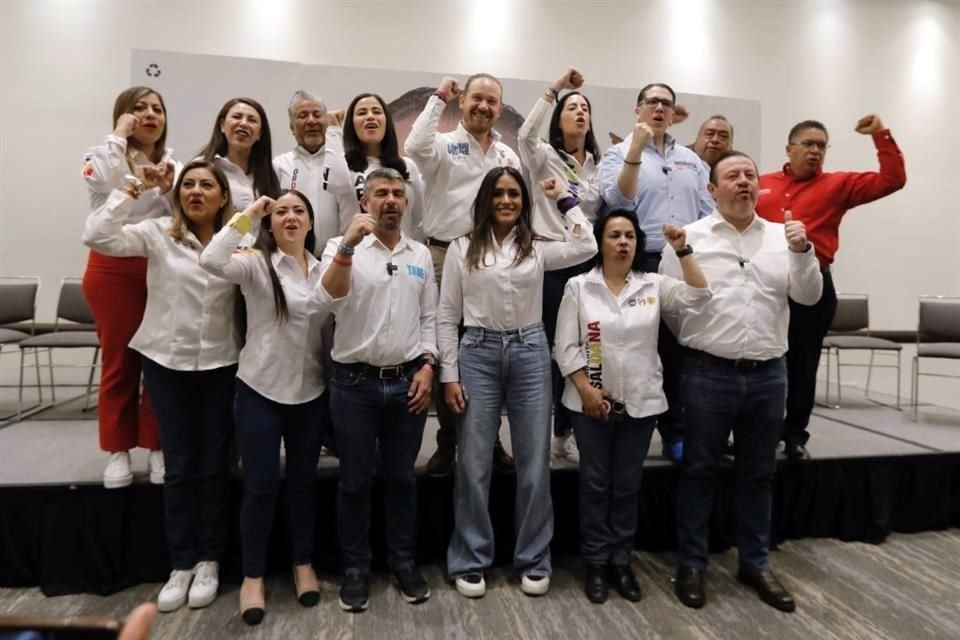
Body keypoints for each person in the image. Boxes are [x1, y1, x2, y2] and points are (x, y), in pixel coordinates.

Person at [660, 150, 822, 613]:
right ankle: (692, 563)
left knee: (758, 475)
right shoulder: (687, 237)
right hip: (708, 373)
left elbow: (807, 297)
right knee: (698, 472)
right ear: (712, 190)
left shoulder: (780, 237)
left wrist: (803, 251)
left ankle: (755, 562)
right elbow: (671, 306)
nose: (744, 182)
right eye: (732, 176)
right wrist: (705, 343)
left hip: (770, 374)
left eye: (750, 174)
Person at [82, 160, 240, 614]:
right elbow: (97, 235)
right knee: (179, 465)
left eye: (207, 185)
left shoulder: (238, 242)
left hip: (220, 362)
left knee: (212, 464)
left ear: (223, 197)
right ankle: (181, 562)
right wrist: (132, 187)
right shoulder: (156, 233)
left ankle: (209, 559)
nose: (196, 192)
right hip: (167, 363)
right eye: (188, 184)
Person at [440, 167, 597, 599]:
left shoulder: (538, 248)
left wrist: (565, 198)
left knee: (533, 463)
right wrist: (449, 373)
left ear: (524, 202)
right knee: (473, 463)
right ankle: (471, 558)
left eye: (514, 194)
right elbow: (446, 314)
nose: (507, 200)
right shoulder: (460, 248)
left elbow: (587, 243)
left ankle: (533, 558)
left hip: (529, 351)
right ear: (486, 199)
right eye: (499, 193)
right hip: (477, 353)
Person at [554, 211, 710, 604]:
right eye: (614, 235)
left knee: (626, 486)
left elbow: (700, 296)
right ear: (601, 242)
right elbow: (564, 347)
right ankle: (595, 562)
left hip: (641, 401)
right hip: (587, 403)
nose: (623, 242)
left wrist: (683, 250)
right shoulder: (579, 286)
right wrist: (586, 390)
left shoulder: (653, 284)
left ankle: (620, 561)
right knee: (594, 485)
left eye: (629, 236)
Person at [199, 190, 327, 625]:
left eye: (299, 211)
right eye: (282, 212)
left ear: (311, 222)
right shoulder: (255, 262)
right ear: (271, 224)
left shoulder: (324, 267)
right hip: (258, 389)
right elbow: (211, 261)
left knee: (304, 484)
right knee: (259, 486)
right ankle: (253, 575)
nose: (290, 217)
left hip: (309, 391)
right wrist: (249, 215)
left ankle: (302, 563)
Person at [314, 168, 437, 613]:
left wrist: (428, 365)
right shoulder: (338, 247)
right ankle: (355, 569)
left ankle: (404, 563)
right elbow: (325, 300)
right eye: (380, 193)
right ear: (364, 201)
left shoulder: (419, 253)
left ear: (406, 203)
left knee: (403, 479)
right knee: (355, 482)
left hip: (408, 382)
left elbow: (430, 319)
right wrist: (347, 246)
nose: (390, 200)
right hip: (353, 385)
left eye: (397, 194)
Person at [756, 115, 906, 460]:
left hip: (814, 281)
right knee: (760, 359)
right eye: (808, 144)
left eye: (821, 146)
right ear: (789, 148)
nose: (815, 151)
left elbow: (893, 179)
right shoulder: (761, 183)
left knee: (802, 363)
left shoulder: (838, 185)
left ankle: (794, 433)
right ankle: (758, 431)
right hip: (765, 284)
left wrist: (880, 135)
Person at [404, 73, 520, 477]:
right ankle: (448, 440)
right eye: (476, 99)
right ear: (463, 101)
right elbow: (413, 146)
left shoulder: (508, 155)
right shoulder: (442, 143)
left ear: (499, 110)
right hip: (442, 254)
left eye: (491, 101)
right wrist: (438, 96)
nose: (483, 107)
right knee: (444, 347)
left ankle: (489, 441)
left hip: (492, 260)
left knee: (487, 348)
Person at [598, 82, 714, 464]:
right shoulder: (617, 154)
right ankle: (623, 432)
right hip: (639, 261)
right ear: (638, 110)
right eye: (652, 102)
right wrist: (635, 149)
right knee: (642, 350)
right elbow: (617, 202)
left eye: (667, 103)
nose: (660, 108)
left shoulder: (692, 160)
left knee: (683, 352)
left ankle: (677, 433)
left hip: (684, 259)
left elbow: (706, 212)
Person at [81, 86, 180, 489]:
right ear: (123, 115)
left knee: (158, 361)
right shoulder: (101, 156)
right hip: (113, 268)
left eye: (157, 108)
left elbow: (185, 216)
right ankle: (118, 449)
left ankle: (156, 445)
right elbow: (101, 179)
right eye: (139, 109)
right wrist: (118, 136)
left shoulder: (173, 162)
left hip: (160, 268)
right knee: (120, 362)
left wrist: (169, 187)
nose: (150, 114)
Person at [518, 66, 603, 465]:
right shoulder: (544, 156)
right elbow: (524, 134)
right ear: (560, 118)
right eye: (573, 107)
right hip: (551, 262)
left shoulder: (599, 167)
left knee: (586, 349)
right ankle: (549, 431)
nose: (580, 111)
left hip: (587, 261)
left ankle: (572, 430)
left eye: (585, 107)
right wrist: (556, 88)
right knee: (553, 349)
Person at [324, 92, 425, 242]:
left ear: (387, 122)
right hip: (356, 255)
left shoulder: (407, 166)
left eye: (376, 111)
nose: (370, 116)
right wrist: (333, 130)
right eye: (362, 113)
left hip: (399, 253)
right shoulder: (342, 165)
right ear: (351, 124)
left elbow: (417, 218)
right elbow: (335, 183)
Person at [273, 90, 341, 250]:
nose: (311, 121)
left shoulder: (342, 163)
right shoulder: (279, 165)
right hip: (292, 260)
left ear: (326, 121)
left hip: (337, 259)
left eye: (317, 115)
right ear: (292, 127)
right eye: (303, 116)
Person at [198, 97, 280, 212]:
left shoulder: (272, 172)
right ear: (222, 125)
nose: (243, 123)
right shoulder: (201, 166)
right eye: (237, 117)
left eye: (252, 120)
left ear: (260, 134)